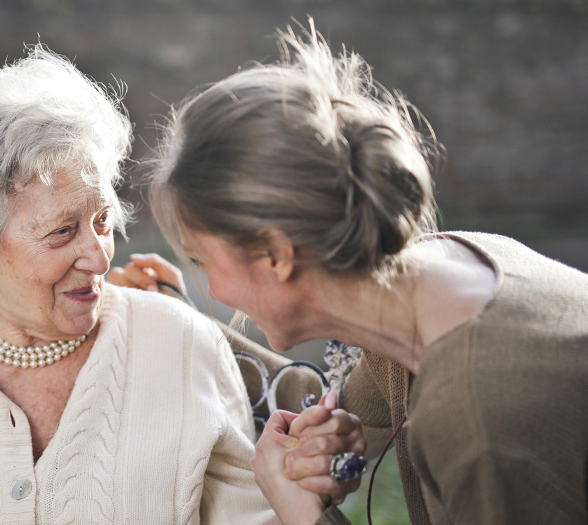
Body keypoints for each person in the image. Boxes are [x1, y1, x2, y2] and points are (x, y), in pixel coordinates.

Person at [0, 45, 364, 524]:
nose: (99, 255)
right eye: (62, 232)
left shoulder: (180, 343)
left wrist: (297, 493)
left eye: (102, 221)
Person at [136, 20, 588, 524]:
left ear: (276, 256)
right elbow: (328, 406)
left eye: (201, 260)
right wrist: (172, 318)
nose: (212, 286)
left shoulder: (482, 426)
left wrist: (302, 513)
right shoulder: (443, 275)